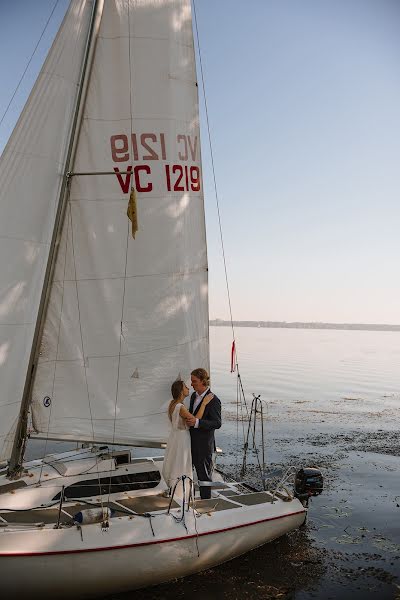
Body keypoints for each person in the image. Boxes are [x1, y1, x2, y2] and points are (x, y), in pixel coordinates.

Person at [162, 379, 214, 498]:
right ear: (181, 391)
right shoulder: (180, 407)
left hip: (175, 437)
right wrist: (204, 403)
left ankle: (176, 488)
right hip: (182, 439)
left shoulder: (172, 404)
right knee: (182, 463)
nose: (188, 388)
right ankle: (181, 491)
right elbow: (195, 419)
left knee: (176, 461)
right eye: (185, 387)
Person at [185, 368, 222, 500]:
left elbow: (217, 423)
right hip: (190, 442)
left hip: (203, 445)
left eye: (194, 381)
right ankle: (189, 500)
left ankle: (206, 502)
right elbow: (193, 416)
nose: (191, 384)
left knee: (204, 476)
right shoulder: (194, 396)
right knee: (188, 472)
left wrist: (197, 423)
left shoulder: (214, 400)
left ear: (202, 381)